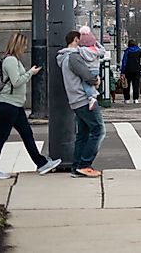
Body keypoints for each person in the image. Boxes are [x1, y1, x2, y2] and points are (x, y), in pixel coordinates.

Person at [0, 33, 62, 180]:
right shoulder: (11, 60)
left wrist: (29, 72)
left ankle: (41, 163)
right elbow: (16, 81)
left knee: (27, 135)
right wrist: (30, 72)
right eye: (24, 45)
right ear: (18, 45)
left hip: (14, 104)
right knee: (2, 137)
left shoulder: (11, 60)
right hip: (8, 103)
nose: (25, 48)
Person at [58, 30, 103, 178]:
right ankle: (85, 164)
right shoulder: (74, 57)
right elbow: (86, 75)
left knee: (83, 134)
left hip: (75, 100)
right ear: (76, 40)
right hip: (83, 99)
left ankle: (76, 166)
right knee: (98, 130)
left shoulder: (63, 58)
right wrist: (96, 80)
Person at [75, 26, 107, 110]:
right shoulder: (96, 50)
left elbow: (75, 49)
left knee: (86, 84)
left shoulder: (82, 50)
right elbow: (103, 50)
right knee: (92, 84)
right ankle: (94, 94)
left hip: (87, 70)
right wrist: (96, 43)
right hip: (95, 69)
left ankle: (91, 97)